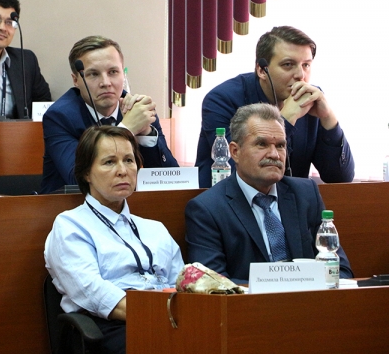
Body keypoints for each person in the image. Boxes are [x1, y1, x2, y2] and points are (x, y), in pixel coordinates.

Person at [45, 125, 183, 354]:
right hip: (111, 326)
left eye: (129, 160)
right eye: (109, 162)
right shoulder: (71, 225)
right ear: (86, 173)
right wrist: (159, 314)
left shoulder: (155, 229)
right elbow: (93, 292)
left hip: (167, 316)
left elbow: (180, 284)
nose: (122, 171)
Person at [185, 103, 353, 285]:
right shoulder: (207, 209)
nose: (274, 154)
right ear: (235, 152)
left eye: (280, 145)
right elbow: (214, 285)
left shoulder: (306, 194)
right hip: (249, 303)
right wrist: (277, 287)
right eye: (262, 144)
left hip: (308, 300)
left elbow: (340, 271)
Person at [195, 26, 354, 188]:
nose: (300, 75)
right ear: (261, 70)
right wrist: (285, 119)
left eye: (306, 65)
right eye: (288, 64)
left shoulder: (310, 99)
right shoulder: (222, 100)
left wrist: (329, 119)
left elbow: (340, 178)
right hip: (229, 201)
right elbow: (239, 172)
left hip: (290, 202)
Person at [41, 35, 178, 194]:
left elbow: (171, 181)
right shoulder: (59, 117)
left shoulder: (138, 109)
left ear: (123, 74)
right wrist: (126, 129)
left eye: (113, 72)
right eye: (93, 74)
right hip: (68, 205)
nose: (106, 83)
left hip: (129, 204)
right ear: (76, 80)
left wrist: (146, 133)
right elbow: (78, 179)